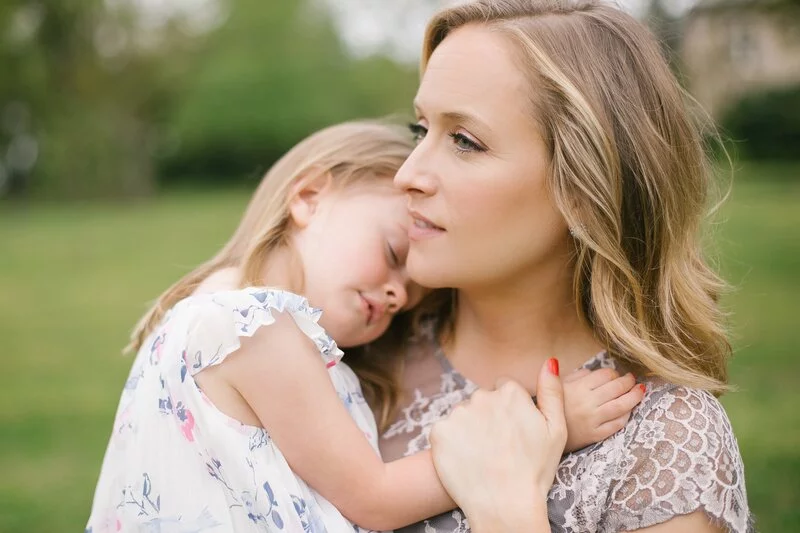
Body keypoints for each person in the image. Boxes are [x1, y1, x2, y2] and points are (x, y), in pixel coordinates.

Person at [85, 120, 639, 533]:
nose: (398, 292)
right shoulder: (258, 330)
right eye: (394, 251)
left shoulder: (218, 313)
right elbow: (373, 499)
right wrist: (546, 424)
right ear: (307, 198)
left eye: (405, 305)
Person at [379, 1, 753, 532]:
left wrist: (505, 507)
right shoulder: (353, 355)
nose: (407, 174)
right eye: (422, 131)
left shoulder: (661, 439)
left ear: (583, 188)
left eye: (464, 140)